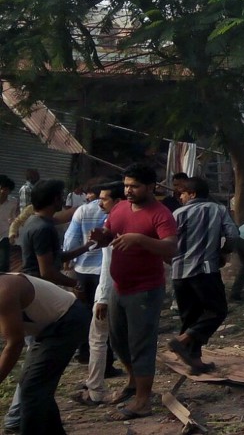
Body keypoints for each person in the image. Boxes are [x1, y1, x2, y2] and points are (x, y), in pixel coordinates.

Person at [89, 163, 178, 420]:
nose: (128, 190)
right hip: (119, 287)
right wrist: (102, 236)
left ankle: (143, 401)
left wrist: (139, 239)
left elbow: (170, 248)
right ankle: (132, 381)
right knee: (118, 340)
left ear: (151, 187)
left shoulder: (160, 214)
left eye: (134, 186)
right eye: (126, 185)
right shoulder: (119, 208)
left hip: (145, 290)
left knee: (141, 344)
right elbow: (110, 233)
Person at [4, 179, 79, 432]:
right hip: (47, 309)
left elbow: (12, 344)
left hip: (57, 315)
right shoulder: (42, 227)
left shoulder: (36, 223)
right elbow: (48, 269)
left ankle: (17, 419)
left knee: (34, 383)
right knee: (35, 383)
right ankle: (19, 419)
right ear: (57, 199)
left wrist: (86, 246)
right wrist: (74, 284)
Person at [0, 273, 90, 434]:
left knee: (32, 388)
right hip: (49, 328)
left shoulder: (4, 290)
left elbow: (15, 343)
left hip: (68, 320)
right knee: (36, 386)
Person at [168, 177, 239, 374]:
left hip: (179, 272)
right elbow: (233, 235)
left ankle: (195, 363)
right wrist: (224, 253)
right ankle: (182, 340)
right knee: (217, 311)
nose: (180, 197)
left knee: (191, 316)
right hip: (205, 270)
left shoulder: (177, 214)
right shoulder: (217, 210)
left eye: (182, 193)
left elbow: (168, 240)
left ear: (192, 194)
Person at [76, 182, 124, 407]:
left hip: (111, 289)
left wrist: (102, 297)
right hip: (123, 288)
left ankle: (95, 389)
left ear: (116, 201)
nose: (99, 203)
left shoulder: (115, 222)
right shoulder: (120, 220)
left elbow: (109, 264)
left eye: (104, 199)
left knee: (98, 338)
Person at [62, 180, 111, 365]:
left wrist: (70, 260)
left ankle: (84, 352)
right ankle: (104, 359)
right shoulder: (117, 211)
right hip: (104, 270)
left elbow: (71, 238)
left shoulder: (82, 210)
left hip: (83, 269)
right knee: (103, 315)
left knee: (85, 311)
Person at [0, 176, 18, 272]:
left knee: (4, 263)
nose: (2, 191)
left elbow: (13, 217)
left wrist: (15, 229)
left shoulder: (13, 202)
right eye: (1, 188)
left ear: (9, 191)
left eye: (5, 189)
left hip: (4, 235)